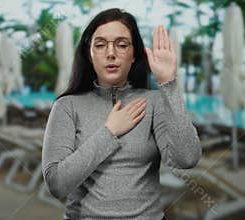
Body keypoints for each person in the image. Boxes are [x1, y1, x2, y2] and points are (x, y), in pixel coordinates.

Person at [42, 8, 201, 220]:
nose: (111, 53)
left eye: (122, 44)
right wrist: (109, 132)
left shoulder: (153, 102)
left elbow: (187, 159)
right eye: (100, 45)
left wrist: (168, 84)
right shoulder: (66, 106)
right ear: (89, 55)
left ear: (134, 54)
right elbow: (56, 185)